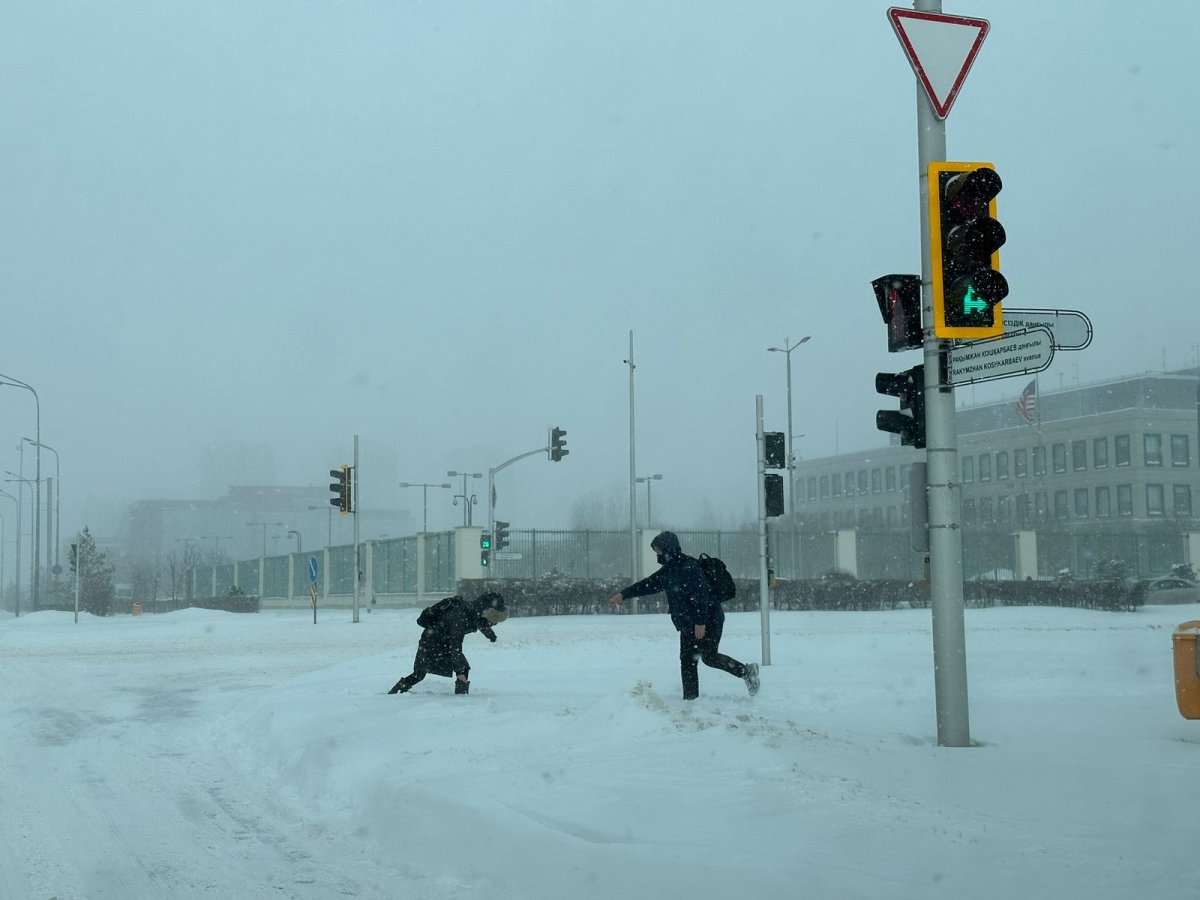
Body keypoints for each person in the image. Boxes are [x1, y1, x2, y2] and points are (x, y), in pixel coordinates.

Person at [609, 531, 759, 700]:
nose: (657, 554)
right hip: (688, 623)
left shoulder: (689, 567)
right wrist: (624, 595)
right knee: (688, 660)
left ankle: (747, 672)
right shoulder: (668, 571)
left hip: (710, 619)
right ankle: (690, 700)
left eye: (658, 550)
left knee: (709, 657)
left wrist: (700, 622)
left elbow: (701, 595)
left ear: (668, 548)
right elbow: (647, 585)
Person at [388, 592, 508, 695]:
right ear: (487, 612)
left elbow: (480, 623)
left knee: (423, 673)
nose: (491, 624)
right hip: (432, 643)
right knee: (420, 674)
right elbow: (455, 645)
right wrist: (459, 670)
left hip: (438, 641)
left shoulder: (473, 610)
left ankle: (461, 694)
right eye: (492, 622)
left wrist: (491, 635)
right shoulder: (461, 615)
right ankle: (394, 694)